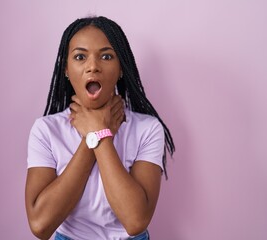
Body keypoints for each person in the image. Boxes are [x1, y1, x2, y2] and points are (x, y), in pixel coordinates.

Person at [25, 16, 175, 240]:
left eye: (106, 56)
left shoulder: (148, 129)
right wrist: (93, 137)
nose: (93, 66)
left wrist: (100, 135)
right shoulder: (46, 130)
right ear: (66, 69)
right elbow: (40, 225)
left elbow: (135, 221)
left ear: (121, 68)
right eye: (80, 57)